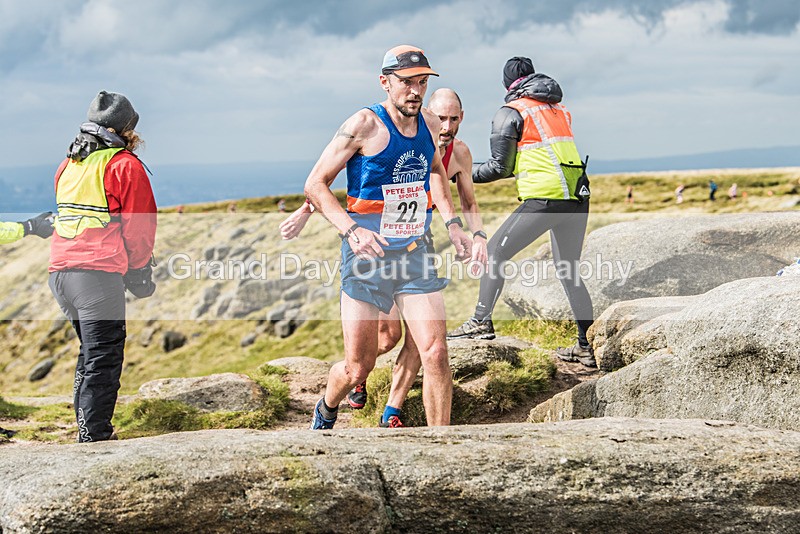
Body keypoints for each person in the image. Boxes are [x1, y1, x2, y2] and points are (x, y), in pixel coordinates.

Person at [280, 88, 488, 427]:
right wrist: (314, 213)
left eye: (454, 119)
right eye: (442, 118)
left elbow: (447, 183)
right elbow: (339, 180)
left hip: (415, 249)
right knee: (373, 351)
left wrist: (462, 229)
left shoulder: (448, 144)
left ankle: (426, 433)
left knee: (433, 350)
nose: (446, 126)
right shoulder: (375, 126)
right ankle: (333, 400)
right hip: (370, 253)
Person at [447, 56, 596, 368]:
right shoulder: (558, 109)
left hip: (545, 198)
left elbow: (500, 167)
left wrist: (459, 172)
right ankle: (586, 346)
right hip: (576, 196)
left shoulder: (511, 112)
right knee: (569, 271)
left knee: (493, 253)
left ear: (506, 85)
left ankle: (480, 322)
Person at [48, 91, 157, 442]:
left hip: (60, 273)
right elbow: (140, 227)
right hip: (95, 276)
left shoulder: (69, 164)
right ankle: (94, 436)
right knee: (104, 356)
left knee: (91, 353)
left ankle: (86, 430)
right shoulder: (124, 165)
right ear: (126, 129)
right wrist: (139, 271)